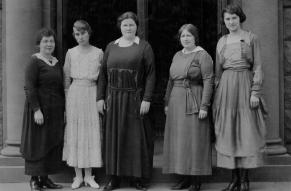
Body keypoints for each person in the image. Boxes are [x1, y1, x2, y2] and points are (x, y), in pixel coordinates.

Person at [97, 11, 155, 191]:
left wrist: (147, 98)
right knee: (114, 138)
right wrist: (99, 97)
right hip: (113, 99)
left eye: (131, 24)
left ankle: (136, 178)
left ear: (137, 26)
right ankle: (113, 178)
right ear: (120, 27)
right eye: (125, 25)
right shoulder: (111, 46)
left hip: (135, 98)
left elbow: (151, 74)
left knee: (135, 138)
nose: (128, 28)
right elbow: (102, 75)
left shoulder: (144, 47)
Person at [213, 4, 266, 191]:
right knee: (228, 131)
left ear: (240, 18)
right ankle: (233, 179)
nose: (231, 22)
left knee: (245, 131)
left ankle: (244, 180)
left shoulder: (251, 38)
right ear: (224, 21)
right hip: (226, 88)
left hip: (245, 83)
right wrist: (216, 95)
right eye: (227, 19)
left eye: (234, 18)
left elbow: (258, 66)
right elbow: (217, 73)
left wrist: (255, 92)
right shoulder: (221, 41)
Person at [162, 24, 214, 191]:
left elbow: (208, 80)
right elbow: (170, 80)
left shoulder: (202, 55)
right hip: (176, 100)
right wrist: (166, 102)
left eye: (189, 36)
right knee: (179, 140)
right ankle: (183, 178)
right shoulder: (177, 55)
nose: (185, 39)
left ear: (195, 38)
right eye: (183, 36)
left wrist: (205, 105)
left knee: (194, 139)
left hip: (194, 99)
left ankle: (195, 180)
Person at [20, 28, 65, 191]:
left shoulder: (56, 62)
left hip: (55, 110)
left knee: (50, 142)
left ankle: (45, 179)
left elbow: (60, 88)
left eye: (51, 41)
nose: (49, 44)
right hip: (39, 109)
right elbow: (29, 87)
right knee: (37, 143)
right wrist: (36, 110)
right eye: (45, 41)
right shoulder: (34, 61)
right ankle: (34, 179)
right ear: (39, 44)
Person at [62, 20, 103, 189]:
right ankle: (77, 176)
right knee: (76, 132)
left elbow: (102, 79)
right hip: (75, 93)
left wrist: (100, 98)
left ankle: (89, 175)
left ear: (89, 32)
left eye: (83, 33)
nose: (80, 37)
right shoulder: (70, 53)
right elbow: (66, 79)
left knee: (90, 132)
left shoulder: (99, 52)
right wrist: (66, 102)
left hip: (92, 92)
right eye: (77, 34)